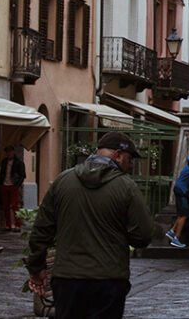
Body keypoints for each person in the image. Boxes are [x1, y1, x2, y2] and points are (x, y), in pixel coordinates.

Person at [26, 132, 154, 319]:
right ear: (118, 155)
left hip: (67, 278)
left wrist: (36, 267)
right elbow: (143, 236)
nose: (131, 164)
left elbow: (42, 229)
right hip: (108, 279)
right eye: (129, 159)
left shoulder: (63, 181)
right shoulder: (126, 187)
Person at [0, 145, 26, 231]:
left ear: (13, 152)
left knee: (14, 205)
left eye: (10, 151)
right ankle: (8, 224)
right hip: (5, 185)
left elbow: (22, 175)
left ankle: (17, 224)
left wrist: (17, 185)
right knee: (6, 206)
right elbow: (1, 173)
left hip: (13, 186)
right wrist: (1, 183)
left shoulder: (19, 163)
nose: (8, 153)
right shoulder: (4, 162)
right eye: (7, 152)